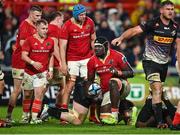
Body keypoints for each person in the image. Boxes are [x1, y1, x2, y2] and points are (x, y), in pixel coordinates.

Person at [112, 0, 179, 128]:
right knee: (157, 88)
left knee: (157, 93)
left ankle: (149, 118)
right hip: (150, 62)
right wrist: (121, 38)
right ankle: (160, 122)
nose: (170, 11)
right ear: (161, 10)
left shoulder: (175, 27)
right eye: (168, 9)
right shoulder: (153, 23)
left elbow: (178, 45)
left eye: (172, 9)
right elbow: (134, 30)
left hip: (163, 64)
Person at [6, 5, 42, 123]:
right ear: (30, 14)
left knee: (28, 91)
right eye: (37, 15)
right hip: (20, 61)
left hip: (28, 62)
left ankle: (25, 116)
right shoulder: (25, 25)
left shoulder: (34, 25)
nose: (39, 17)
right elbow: (22, 43)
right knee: (16, 90)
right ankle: (8, 116)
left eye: (40, 15)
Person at [87, 37, 134, 124]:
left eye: (99, 46)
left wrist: (118, 73)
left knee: (112, 82)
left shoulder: (117, 55)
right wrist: (93, 94)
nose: (96, 49)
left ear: (106, 46)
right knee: (103, 121)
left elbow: (131, 73)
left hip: (122, 86)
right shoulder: (91, 61)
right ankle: (127, 113)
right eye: (95, 46)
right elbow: (90, 81)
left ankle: (115, 115)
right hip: (105, 91)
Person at [59, 4, 96, 110]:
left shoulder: (90, 22)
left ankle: (92, 115)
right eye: (81, 15)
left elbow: (93, 39)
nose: (84, 17)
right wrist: (63, 64)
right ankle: (64, 111)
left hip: (87, 58)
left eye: (85, 14)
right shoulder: (67, 25)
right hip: (72, 59)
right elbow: (62, 46)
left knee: (90, 86)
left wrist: (94, 56)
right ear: (75, 15)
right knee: (70, 85)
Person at [21, 19, 54, 124]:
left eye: (46, 28)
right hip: (29, 72)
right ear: (37, 28)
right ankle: (25, 116)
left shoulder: (50, 41)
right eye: (43, 28)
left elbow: (51, 56)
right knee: (27, 95)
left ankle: (34, 118)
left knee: (39, 94)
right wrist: (33, 62)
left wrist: (51, 70)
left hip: (42, 73)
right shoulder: (29, 40)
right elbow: (23, 55)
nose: (45, 31)